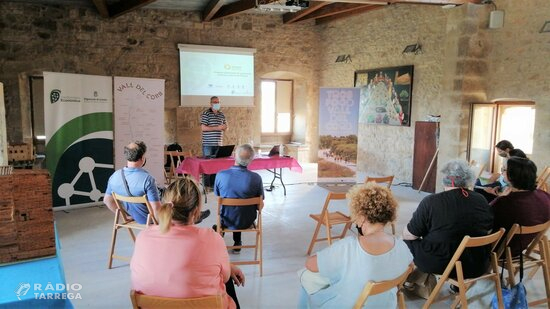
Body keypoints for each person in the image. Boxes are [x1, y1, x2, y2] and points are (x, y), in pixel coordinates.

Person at [131, 177, 245, 309]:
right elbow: (224, 278)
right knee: (226, 281)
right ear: (196, 212)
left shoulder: (143, 236)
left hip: (152, 305)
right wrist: (229, 268)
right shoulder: (211, 238)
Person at [297, 183, 412, 308]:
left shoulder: (350, 247)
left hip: (348, 305)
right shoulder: (401, 246)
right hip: (384, 305)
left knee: (306, 277)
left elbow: (310, 265)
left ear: (361, 217)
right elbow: (410, 265)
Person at [403, 159, 494, 280]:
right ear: (468, 179)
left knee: (404, 242)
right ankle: (457, 286)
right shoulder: (481, 199)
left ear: (445, 179)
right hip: (477, 264)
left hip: (442, 264)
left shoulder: (431, 202)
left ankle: (408, 280)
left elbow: (410, 235)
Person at [491, 157, 550, 257]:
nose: (502, 172)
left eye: (504, 169)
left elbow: (483, 219)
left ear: (512, 176)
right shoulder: (545, 196)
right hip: (522, 246)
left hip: (500, 250)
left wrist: (499, 198)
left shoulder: (505, 202)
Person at [214, 144, 263, 254]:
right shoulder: (256, 178)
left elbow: (218, 196)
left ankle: (218, 235)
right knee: (240, 210)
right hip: (247, 221)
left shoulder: (221, 175)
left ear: (234, 156)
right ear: (251, 160)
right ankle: (237, 242)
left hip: (227, 219)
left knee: (229, 210)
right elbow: (260, 206)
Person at [104, 141, 161, 224]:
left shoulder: (114, 177)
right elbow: (156, 208)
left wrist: (124, 216)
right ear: (142, 158)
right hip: (149, 220)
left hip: (134, 217)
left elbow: (107, 200)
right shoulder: (147, 179)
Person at [201, 96, 228, 188]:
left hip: (218, 144)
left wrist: (225, 127)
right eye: (215, 102)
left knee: (217, 165)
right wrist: (217, 127)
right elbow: (203, 128)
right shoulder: (206, 114)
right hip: (208, 144)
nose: (217, 103)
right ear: (211, 103)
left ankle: (214, 184)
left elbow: (225, 127)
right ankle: (207, 186)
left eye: (218, 102)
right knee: (207, 165)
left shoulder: (222, 114)